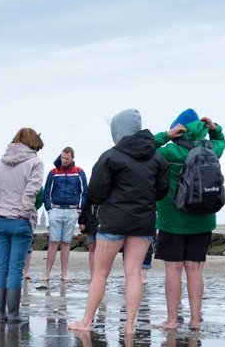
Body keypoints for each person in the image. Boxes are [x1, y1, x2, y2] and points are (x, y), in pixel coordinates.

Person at [70, 110, 166, 334]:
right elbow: (161, 192)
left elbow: (95, 191)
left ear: (118, 131)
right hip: (143, 221)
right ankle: (130, 325)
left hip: (113, 221)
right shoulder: (157, 158)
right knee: (133, 273)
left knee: (100, 273)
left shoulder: (110, 156)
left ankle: (86, 322)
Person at [152, 112, 225, 331]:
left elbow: (147, 149)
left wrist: (165, 135)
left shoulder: (170, 151)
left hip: (171, 219)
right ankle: (195, 320)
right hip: (203, 219)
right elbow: (222, 141)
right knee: (195, 270)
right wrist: (215, 128)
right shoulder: (211, 149)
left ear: (178, 127)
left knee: (173, 270)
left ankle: (172, 320)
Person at [0, 127, 46, 322]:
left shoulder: (0, 163)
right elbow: (32, 191)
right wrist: (25, 213)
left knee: (1, 266)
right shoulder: (35, 163)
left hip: (0, 220)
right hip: (20, 221)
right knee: (15, 269)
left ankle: (1, 314)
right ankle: (13, 314)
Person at [39, 148, 87, 288]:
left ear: (72, 158)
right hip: (56, 210)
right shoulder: (53, 172)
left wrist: (79, 210)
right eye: (62, 158)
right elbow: (47, 191)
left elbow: (84, 192)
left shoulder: (79, 172)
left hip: (72, 211)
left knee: (66, 243)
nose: (64, 160)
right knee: (54, 242)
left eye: (66, 158)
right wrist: (49, 209)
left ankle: (63, 273)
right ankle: (47, 273)